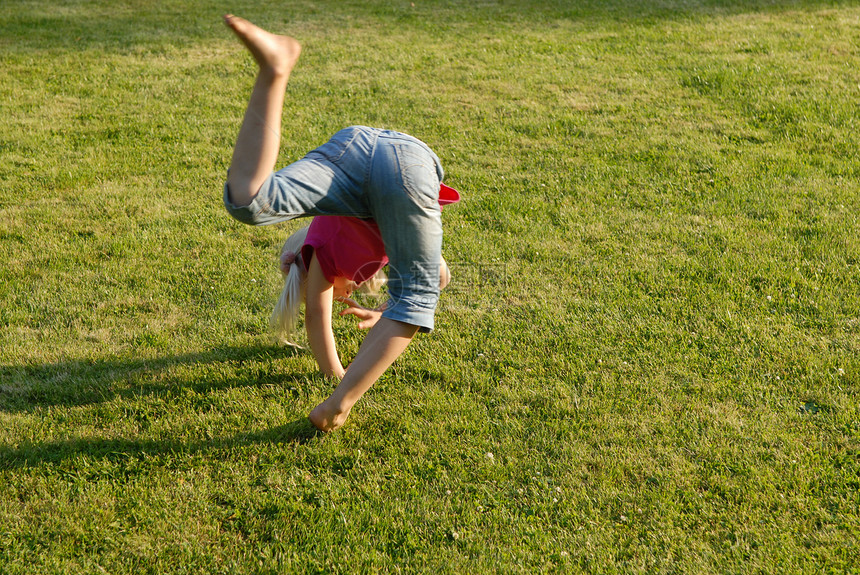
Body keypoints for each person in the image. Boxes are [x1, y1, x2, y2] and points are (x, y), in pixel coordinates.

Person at [220, 15, 459, 432]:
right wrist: (390, 313)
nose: (337, 295)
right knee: (249, 202)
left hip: (380, 161)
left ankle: (338, 401)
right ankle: (274, 67)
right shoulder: (324, 260)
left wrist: (385, 315)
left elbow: (317, 316)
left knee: (414, 298)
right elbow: (435, 275)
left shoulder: (322, 256)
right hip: (360, 148)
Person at [271, 215, 452, 381]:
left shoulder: (325, 249)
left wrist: (338, 377)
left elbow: (316, 316)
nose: (348, 294)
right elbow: (437, 276)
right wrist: (386, 311)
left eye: (332, 290)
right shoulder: (365, 238)